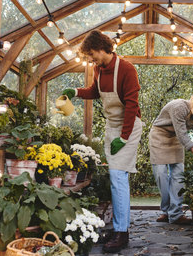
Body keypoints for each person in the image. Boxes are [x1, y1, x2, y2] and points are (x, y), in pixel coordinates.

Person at [62, 30, 142, 253]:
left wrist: (124, 137)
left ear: (100, 48)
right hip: (112, 126)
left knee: (118, 177)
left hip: (129, 126)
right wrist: (76, 92)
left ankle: (122, 233)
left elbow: (132, 106)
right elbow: (95, 92)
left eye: (91, 54)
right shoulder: (99, 69)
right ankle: (118, 228)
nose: (90, 59)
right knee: (117, 178)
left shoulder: (127, 69)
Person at [149, 90, 193, 225]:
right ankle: (165, 211)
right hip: (159, 136)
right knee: (161, 175)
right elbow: (183, 134)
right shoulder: (179, 107)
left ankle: (175, 214)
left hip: (176, 140)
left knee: (178, 176)